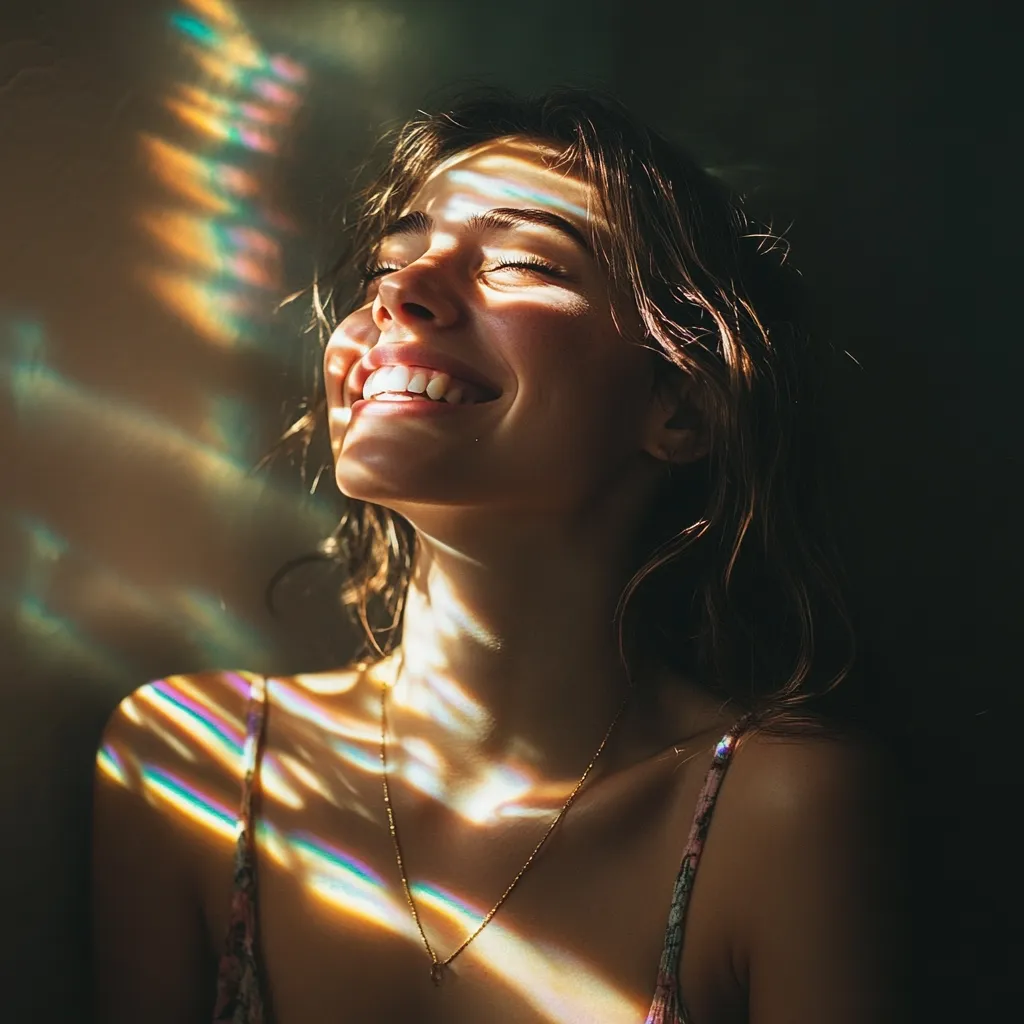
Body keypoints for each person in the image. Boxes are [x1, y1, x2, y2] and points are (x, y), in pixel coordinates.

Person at [91, 88, 907, 1023]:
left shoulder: (778, 809)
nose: (399, 291)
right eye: (388, 264)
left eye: (521, 262)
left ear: (680, 406)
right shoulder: (194, 762)